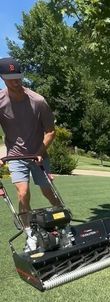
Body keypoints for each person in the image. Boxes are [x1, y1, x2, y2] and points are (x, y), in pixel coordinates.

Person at [0, 57, 61, 251]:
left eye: (18, 77)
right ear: (2, 78)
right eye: (11, 79)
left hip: (38, 154)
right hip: (15, 156)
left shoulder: (38, 101)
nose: (16, 82)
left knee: (48, 191)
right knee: (23, 193)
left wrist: (40, 152)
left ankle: (63, 222)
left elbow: (51, 131)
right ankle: (30, 234)